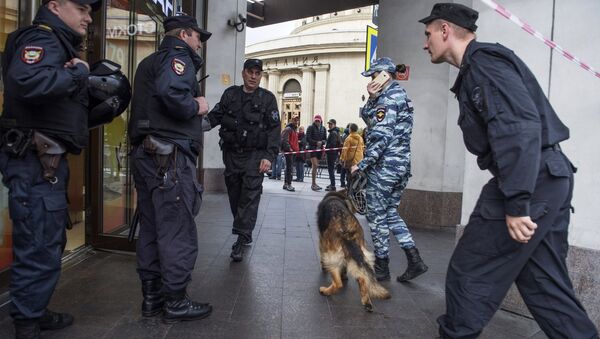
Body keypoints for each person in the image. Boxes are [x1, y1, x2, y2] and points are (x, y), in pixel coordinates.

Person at [420, 3, 599, 338]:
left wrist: (517, 203)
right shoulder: (480, 67)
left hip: (531, 180)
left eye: (428, 34)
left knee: (469, 272)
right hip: (548, 176)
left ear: (445, 30)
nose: (425, 42)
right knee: (544, 284)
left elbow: (518, 128)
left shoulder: (483, 65)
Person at [0, 0, 101, 337]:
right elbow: (25, 81)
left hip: (45, 163)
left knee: (48, 241)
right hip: (35, 163)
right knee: (39, 245)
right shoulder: (42, 39)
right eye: (83, 8)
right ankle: (26, 325)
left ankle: (34, 309)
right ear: (55, 6)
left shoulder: (57, 42)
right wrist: (78, 72)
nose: (89, 17)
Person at [128, 14, 212, 323]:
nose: (200, 43)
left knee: (150, 228)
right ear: (186, 34)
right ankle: (175, 301)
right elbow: (172, 94)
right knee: (176, 229)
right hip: (169, 160)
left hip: (147, 156)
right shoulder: (179, 57)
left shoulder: (148, 63)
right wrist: (196, 106)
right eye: (198, 36)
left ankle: (152, 299)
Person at [351, 57, 428, 283]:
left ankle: (382, 268)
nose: (372, 80)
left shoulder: (389, 99)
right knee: (391, 213)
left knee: (376, 216)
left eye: (374, 75)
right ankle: (414, 260)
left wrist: (361, 165)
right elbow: (368, 118)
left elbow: (380, 136)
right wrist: (372, 98)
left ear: (384, 75)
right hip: (401, 166)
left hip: (385, 166)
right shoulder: (395, 95)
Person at [206, 58, 280, 262]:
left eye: (258, 73)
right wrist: (195, 125)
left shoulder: (267, 99)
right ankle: (244, 229)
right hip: (231, 155)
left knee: (249, 196)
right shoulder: (230, 94)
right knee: (235, 196)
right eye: (250, 72)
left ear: (261, 76)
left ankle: (240, 238)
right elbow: (216, 116)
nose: (254, 77)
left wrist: (269, 156)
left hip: (255, 156)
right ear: (243, 73)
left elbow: (274, 130)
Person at [306, 115, 327, 191]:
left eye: (318, 121)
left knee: (315, 167)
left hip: (320, 150)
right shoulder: (310, 127)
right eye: (316, 121)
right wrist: (316, 143)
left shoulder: (323, 128)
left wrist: (322, 142)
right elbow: (307, 138)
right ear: (314, 121)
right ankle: (313, 183)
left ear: (321, 121)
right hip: (312, 148)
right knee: (315, 165)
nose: (317, 122)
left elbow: (325, 139)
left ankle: (314, 183)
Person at [281, 118, 299, 191]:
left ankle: (286, 183)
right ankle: (289, 184)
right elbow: (284, 140)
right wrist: (289, 148)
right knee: (289, 168)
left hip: (293, 152)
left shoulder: (293, 129)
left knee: (289, 168)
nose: (296, 122)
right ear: (291, 121)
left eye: (297, 120)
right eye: (295, 120)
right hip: (289, 152)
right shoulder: (288, 129)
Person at [324, 118, 341, 191]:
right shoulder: (334, 132)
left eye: (331, 124)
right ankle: (332, 184)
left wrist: (326, 148)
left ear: (334, 125)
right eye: (329, 124)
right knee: (331, 169)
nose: (329, 125)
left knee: (331, 170)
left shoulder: (333, 133)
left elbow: (333, 144)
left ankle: (333, 185)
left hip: (331, 154)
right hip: (332, 153)